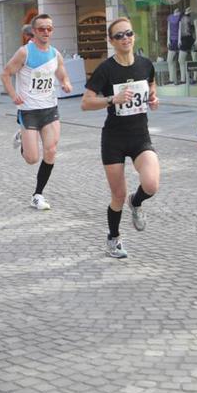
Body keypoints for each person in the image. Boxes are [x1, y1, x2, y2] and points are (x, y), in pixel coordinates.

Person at [81, 18, 160, 259]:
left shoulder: (145, 64)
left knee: (151, 185)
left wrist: (153, 98)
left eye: (128, 33)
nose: (125, 38)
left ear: (134, 36)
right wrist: (111, 100)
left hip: (140, 136)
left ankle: (136, 202)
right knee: (117, 195)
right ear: (111, 41)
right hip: (114, 139)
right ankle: (113, 239)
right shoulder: (106, 69)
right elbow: (85, 103)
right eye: (119, 36)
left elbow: (152, 85)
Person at [1, 14, 73, 210]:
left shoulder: (55, 54)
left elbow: (62, 73)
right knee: (32, 159)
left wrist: (66, 83)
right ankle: (23, 137)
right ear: (33, 31)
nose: (46, 32)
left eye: (49, 28)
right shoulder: (24, 52)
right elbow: (6, 74)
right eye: (41, 29)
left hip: (49, 108)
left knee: (51, 150)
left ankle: (37, 195)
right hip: (29, 110)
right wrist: (13, 95)